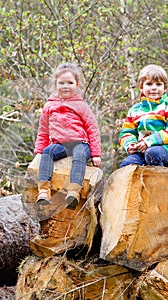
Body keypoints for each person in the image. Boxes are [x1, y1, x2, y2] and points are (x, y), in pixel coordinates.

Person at [34, 62, 101, 210]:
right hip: (60, 145)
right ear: (55, 85)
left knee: (79, 156)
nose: (65, 86)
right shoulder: (49, 106)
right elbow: (43, 131)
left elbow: (92, 129)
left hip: (80, 143)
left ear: (77, 84)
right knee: (47, 152)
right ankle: (44, 191)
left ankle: (74, 191)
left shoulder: (80, 105)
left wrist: (96, 154)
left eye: (70, 83)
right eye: (61, 83)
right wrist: (38, 151)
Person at [119, 64, 168, 168]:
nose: (154, 88)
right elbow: (127, 132)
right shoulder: (135, 110)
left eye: (158, 84)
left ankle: (159, 180)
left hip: (165, 148)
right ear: (141, 87)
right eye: (149, 84)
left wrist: (149, 141)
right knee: (127, 164)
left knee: (152, 154)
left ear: (165, 87)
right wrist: (130, 144)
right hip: (141, 150)